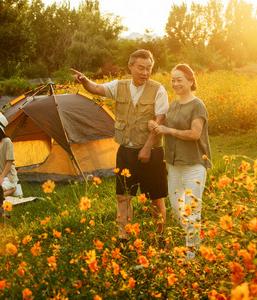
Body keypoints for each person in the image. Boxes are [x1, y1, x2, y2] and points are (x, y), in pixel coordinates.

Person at [71, 49, 169, 245]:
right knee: (123, 197)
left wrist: (147, 148)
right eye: (141, 68)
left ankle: (161, 238)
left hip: (152, 152)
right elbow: (97, 88)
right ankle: (123, 239)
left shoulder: (158, 90)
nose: (145, 72)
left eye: (149, 68)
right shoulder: (119, 86)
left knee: (156, 199)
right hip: (125, 151)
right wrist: (84, 81)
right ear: (130, 66)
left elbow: (160, 121)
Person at [149, 64, 212, 260]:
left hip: (194, 164)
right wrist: (155, 124)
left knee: (193, 209)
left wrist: (168, 131)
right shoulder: (173, 106)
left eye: (180, 80)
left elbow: (195, 134)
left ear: (191, 81)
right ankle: (195, 233)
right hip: (174, 164)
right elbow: (163, 126)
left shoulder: (197, 105)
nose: (175, 83)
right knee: (177, 208)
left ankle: (191, 252)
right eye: (173, 80)